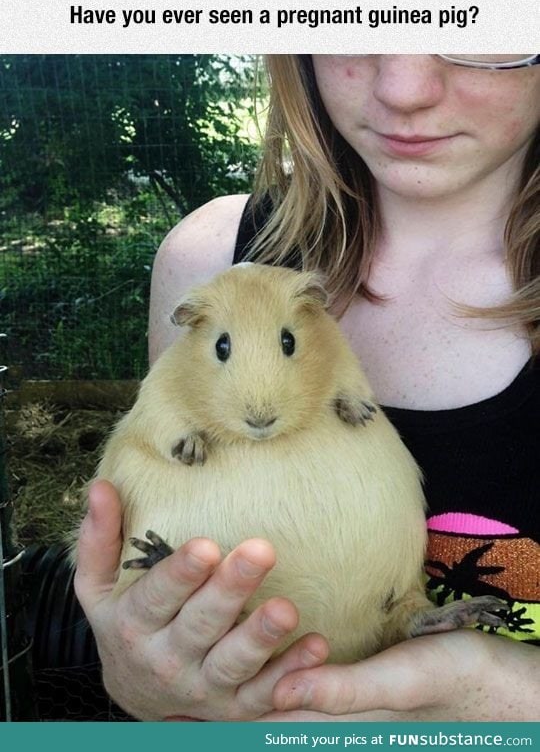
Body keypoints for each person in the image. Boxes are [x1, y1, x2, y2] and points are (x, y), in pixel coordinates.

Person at [74, 54, 540, 721]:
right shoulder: (210, 261)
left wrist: (491, 691)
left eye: (484, 21)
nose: (404, 90)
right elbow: (153, 522)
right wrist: (142, 681)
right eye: (355, 16)